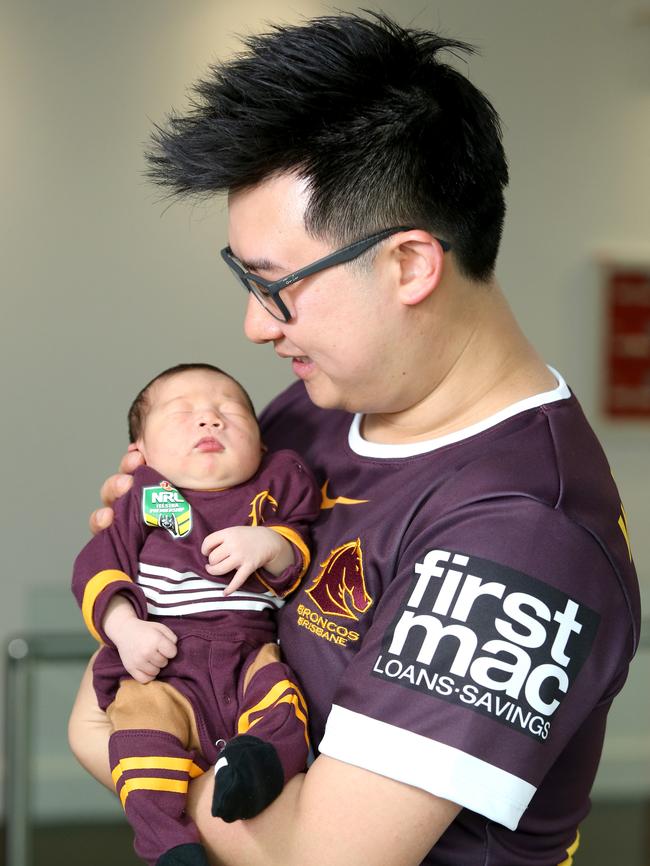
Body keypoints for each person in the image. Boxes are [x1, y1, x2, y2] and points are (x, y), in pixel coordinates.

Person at [68, 12, 641, 866]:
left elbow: (321, 857)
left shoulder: (522, 537)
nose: (254, 328)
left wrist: (135, 762)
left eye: (276, 286)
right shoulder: (310, 415)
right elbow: (154, 620)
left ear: (410, 263)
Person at [72, 363, 320, 866]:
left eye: (230, 410)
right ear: (139, 452)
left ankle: (258, 771)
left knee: (279, 701)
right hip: (163, 661)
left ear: (262, 443)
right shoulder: (145, 496)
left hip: (248, 650)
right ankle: (169, 844)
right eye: (183, 414)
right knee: (142, 734)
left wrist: (271, 543)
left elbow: (301, 545)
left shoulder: (278, 482)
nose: (210, 421)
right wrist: (125, 629)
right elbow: (98, 568)